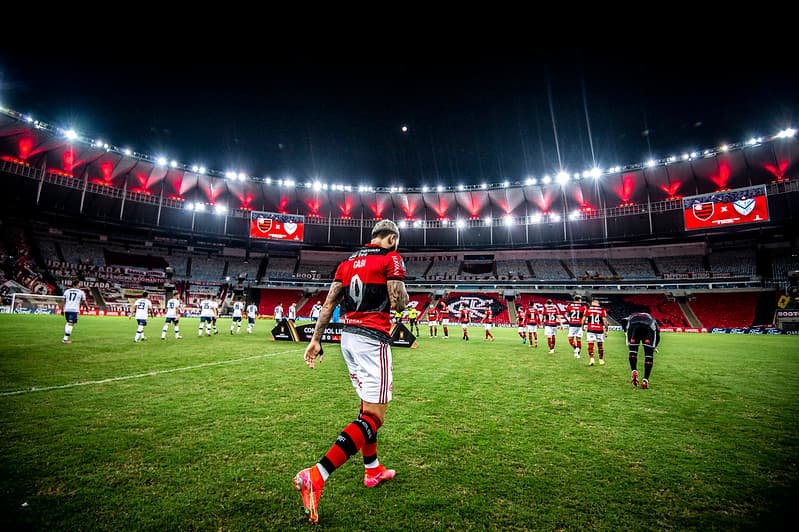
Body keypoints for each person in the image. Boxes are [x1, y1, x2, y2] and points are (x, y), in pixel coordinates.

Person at [294, 219, 408, 525]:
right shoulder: (391, 258)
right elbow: (399, 300)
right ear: (392, 238)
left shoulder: (347, 263)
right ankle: (316, 475)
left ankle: (372, 469)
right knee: (374, 417)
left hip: (348, 338)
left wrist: (316, 339)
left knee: (365, 406)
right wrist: (401, 299)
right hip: (373, 340)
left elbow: (330, 302)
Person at [622, 312, 660, 389]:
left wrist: (625, 332)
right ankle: (645, 380)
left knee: (633, 352)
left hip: (633, 327)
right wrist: (654, 346)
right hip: (648, 328)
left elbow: (623, 320)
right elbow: (657, 333)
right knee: (648, 355)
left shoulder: (632, 316)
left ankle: (634, 371)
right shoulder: (652, 318)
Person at [61, 279, 88, 344]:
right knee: (71, 323)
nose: (79, 285)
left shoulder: (67, 291)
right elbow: (84, 301)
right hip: (74, 310)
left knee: (69, 323)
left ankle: (65, 338)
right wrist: (87, 308)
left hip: (67, 309)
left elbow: (62, 300)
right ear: (76, 285)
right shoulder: (81, 292)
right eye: (79, 284)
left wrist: (62, 309)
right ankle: (65, 339)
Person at [582, 299, 608, 366]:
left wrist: (582, 326)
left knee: (591, 344)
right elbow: (605, 320)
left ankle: (591, 359)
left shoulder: (588, 310)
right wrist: (606, 330)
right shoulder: (602, 310)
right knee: (600, 345)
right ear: (598, 304)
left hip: (591, 329)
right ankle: (601, 359)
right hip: (599, 330)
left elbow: (584, 319)